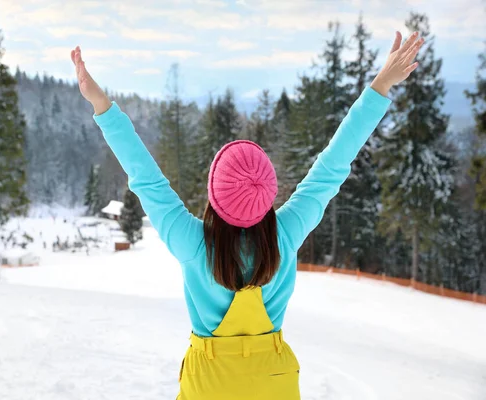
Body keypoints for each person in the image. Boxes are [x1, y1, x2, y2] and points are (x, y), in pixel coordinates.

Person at [70, 30, 424, 400]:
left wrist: (101, 104)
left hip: (209, 385)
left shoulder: (192, 243)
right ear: (267, 197)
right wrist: (381, 84)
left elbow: (146, 178)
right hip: (274, 383)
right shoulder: (285, 235)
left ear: (214, 198)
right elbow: (332, 166)